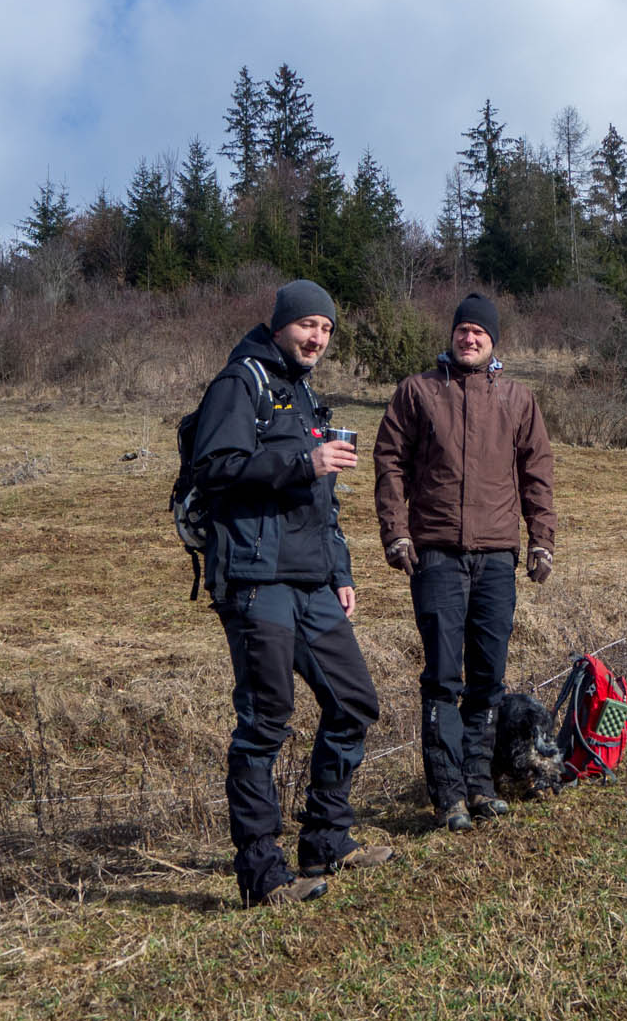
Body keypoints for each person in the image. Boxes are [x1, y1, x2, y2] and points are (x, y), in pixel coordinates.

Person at [190, 279, 394, 906]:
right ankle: (260, 872)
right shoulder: (239, 383)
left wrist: (342, 572)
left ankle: (328, 837)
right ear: (280, 324)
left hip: (311, 581)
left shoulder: (302, 394)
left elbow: (322, 504)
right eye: (309, 325)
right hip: (256, 579)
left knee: (354, 700)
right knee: (265, 722)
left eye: (327, 329)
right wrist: (302, 463)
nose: (318, 338)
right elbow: (216, 468)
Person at [373, 292, 556, 831]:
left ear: (493, 341)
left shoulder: (517, 399)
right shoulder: (418, 393)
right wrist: (396, 534)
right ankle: (448, 793)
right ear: (451, 336)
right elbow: (390, 465)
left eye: (480, 331)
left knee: (488, 679)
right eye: (462, 330)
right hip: (437, 557)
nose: (469, 338)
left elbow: (538, 474)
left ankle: (480, 783)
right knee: (442, 680)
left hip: (497, 556)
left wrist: (542, 538)